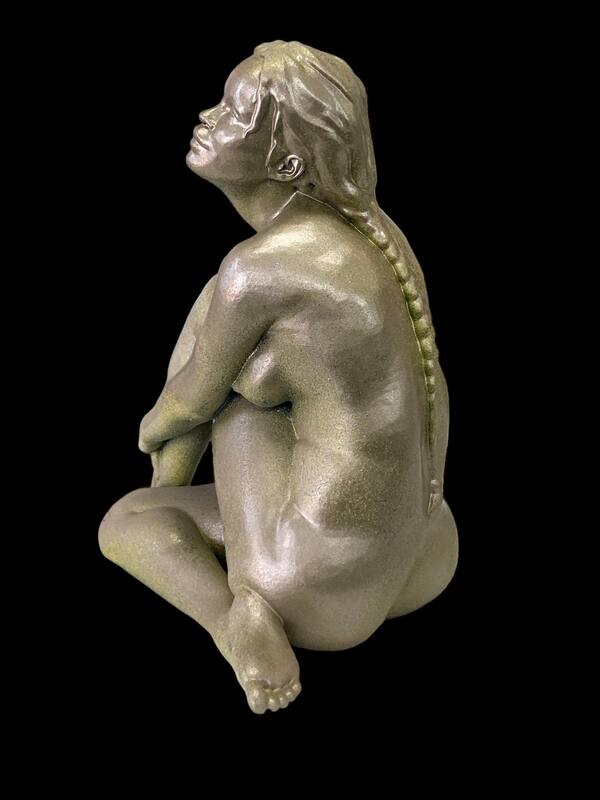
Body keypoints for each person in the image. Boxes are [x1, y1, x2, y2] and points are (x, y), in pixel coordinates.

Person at [98, 40, 459, 714]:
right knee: (247, 351)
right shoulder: (376, 237)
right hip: (424, 558)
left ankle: (235, 623)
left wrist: (152, 426)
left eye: (232, 112)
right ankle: (185, 504)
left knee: (129, 519)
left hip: (313, 590)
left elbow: (189, 402)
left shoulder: (257, 270)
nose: (207, 116)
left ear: (287, 164)